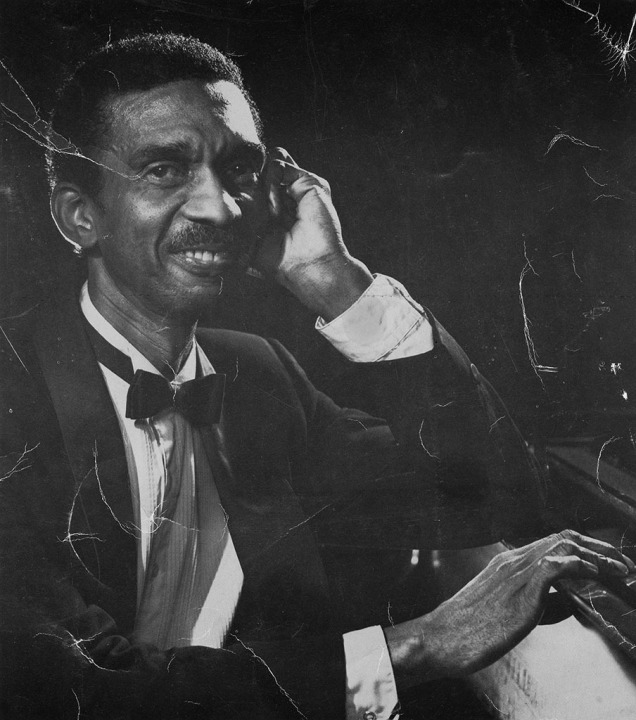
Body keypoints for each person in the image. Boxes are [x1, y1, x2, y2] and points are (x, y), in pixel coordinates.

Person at [0, 32, 633, 720]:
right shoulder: (13, 398)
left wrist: (336, 282)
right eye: (164, 170)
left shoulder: (261, 372)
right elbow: (80, 691)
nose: (222, 208)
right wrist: (420, 645)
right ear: (80, 217)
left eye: (239, 169)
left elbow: (490, 498)